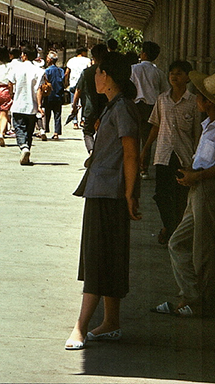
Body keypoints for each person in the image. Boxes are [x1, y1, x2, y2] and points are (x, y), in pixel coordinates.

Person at [65, 52, 141, 350]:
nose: (93, 76)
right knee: (108, 257)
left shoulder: (121, 108)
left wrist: (130, 194)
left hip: (109, 192)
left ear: (106, 75)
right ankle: (111, 321)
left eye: (96, 71)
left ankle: (80, 327)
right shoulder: (115, 106)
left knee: (97, 258)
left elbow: (132, 153)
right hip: (102, 189)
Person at [153, 70, 215, 318]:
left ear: (209, 102)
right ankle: (191, 296)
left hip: (211, 190)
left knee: (205, 250)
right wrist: (192, 172)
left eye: (199, 96)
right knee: (177, 243)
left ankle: (199, 303)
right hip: (198, 189)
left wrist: (198, 176)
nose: (195, 99)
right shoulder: (209, 124)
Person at [140, 60, 199, 245]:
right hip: (163, 155)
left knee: (181, 196)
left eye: (179, 73)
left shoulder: (194, 103)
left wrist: (197, 160)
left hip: (184, 156)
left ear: (188, 77)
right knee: (161, 195)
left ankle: (173, 231)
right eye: (172, 72)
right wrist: (145, 149)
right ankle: (170, 226)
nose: (174, 76)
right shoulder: (162, 99)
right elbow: (156, 126)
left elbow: (197, 133)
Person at [131, 41, 169, 179]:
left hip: (136, 106)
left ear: (144, 54)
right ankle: (144, 169)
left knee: (133, 138)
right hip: (152, 108)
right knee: (147, 141)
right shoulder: (159, 73)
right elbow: (165, 91)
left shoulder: (133, 69)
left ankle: (132, 166)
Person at [9, 46, 44, 165]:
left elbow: (10, 83)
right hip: (32, 106)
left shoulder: (16, 68)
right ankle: (27, 152)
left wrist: (11, 95)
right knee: (29, 131)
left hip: (18, 104)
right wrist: (39, 105)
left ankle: (24, 147)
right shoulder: (39, 70)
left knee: (19, 128)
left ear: (24, 55)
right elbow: (39, 89)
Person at [72, 44, 109, 153]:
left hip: (89, 109)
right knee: (104, 132)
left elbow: (78, 90)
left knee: (88, 132)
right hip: (106, 108)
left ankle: (92, 150)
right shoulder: (109, 71)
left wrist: (74, 106)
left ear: (93, 56)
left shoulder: (87, 72)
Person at [64, 47, 91, 126]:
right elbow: (89, 70)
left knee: (74, 103)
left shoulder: (71, 60)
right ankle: (83, 120)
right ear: (83, 52)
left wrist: (66, 83)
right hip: (84, 84)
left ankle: (75, 122)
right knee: (84, 103)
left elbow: (66, 73)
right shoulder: (87, 60)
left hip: (73, 84)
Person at [42, 51, 65, 140]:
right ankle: (56, 133)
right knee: (57, 114)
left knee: (47, 113)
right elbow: (63, 82)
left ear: (50, 60)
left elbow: (45, 82)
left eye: (47, 57)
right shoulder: (61, 70)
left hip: (49, 95)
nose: (46, 59)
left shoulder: (47, 71)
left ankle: (45, 129)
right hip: (58, 95)